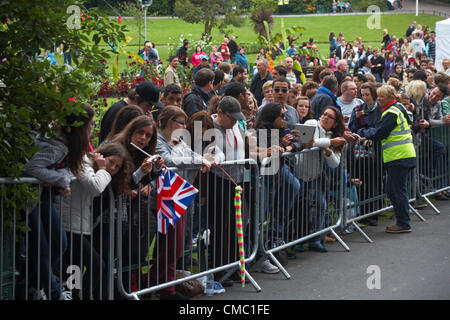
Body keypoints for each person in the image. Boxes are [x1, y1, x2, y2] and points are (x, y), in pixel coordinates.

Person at [24, 104, 95, 300]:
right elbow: (33, 168)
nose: (92, 129)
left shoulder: (66, 147)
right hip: (29, 199)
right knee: (43, 249)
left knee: (59, 243)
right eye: (90, 125)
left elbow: (64, 170)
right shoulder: (57, 146)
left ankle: (36, 284)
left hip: (42, 196)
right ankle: (53, 291)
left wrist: (58, 177)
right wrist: (60, 180)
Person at [58, 142, 132, 300]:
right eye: (111, 162)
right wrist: (103, 169)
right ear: (102, 155)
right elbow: (95, 187)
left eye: (117, 167)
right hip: (70, 223)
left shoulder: (100, 172)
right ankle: (76, 295)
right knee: (95, 265)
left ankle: (75, 295)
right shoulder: (85, 163)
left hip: (80, 225)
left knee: (76, 266)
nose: (112, 168)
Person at [154, 106, 212, 300]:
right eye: (179, 122)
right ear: (168, 121)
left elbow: (192, 154)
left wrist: (200, 159)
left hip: (180, 196)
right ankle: (161, 286)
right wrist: (198, 160)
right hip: (164, 198)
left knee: (177, 246)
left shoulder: (179, 140)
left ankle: (160, 283)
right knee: (172, 246)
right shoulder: (159, 140)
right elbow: (169, 160)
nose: (183, 126)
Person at [111, 115, 165, 297]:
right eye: (140, 133)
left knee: (134, 255)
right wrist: (140, 173)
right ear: (131, 131)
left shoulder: (141, 152)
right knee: (110, 261)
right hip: (111, 214)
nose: (143, 138)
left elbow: (144, 181)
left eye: (148, 136)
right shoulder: (119, 149)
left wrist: (155, 170)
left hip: (132, 214)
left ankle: (131, 291)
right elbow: (120, 182)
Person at [358, 85, 416, 233]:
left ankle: (403, 223)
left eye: (382, 96)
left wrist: (363, 132)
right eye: (378, 96)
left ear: (391, 97)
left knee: (397, 190)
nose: (379, 99)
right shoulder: (396, 109)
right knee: (392, 190)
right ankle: (402, 221)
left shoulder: (392, 112)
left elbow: (379, 133)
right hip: (400, 155)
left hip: (399, 156)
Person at [300, 106, 346, 251]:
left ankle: (315, 240)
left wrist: (328, 151)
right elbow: (306, 141)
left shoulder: (334, 136)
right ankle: (297, 242)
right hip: (299, 173)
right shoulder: (311, 123)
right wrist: (330, 143)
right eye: (324, 114)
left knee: (321, 205)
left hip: (315, 176)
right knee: (299, 209)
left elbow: (334, 163)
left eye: (329, 117)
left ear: (335, 123)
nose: (325, 117)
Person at [348, 82, 383, 225]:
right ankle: (363, 214)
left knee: (374, 182)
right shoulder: (358, 108)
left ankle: (373, 214)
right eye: (363, 95)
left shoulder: (379, 109)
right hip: (360, 152)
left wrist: (364, 133)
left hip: (377, 151)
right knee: (361, 182)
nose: (365, 98)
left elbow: (377, 129)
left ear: (373, 94)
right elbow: (352, 129)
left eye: (367, 95)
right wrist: (357, 119)